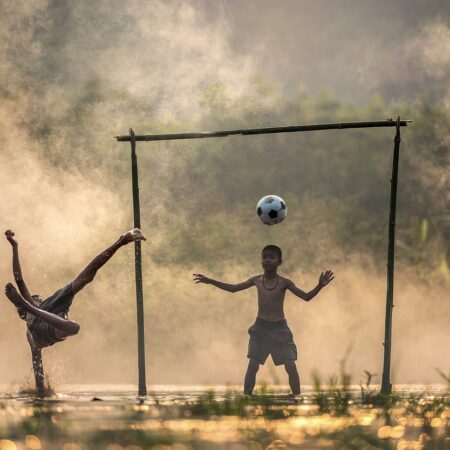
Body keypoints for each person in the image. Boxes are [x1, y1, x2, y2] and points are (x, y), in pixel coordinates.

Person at [4, 228, 146, 395]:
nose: (38, 297)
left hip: (48, 316)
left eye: (36, 299)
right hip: (43, 324)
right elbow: (18, 279)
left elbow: (19, 279)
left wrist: (14, 247)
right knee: (73, 325)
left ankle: (121, 241)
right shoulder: (32, 318)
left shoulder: (45, 306)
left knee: (84, 281)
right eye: (36, 298)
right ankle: (120, 241)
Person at [193, 245, 334, 396]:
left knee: (290, 366)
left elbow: (306, 297)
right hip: (260, 329)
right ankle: (246, 398)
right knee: (253, 365)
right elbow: (233, 288)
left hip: (280, 329)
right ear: (261, 260)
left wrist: (320, 286)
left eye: (272, 257)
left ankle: (296, 398)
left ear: (279, 261)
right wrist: (210, 281)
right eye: (264, 257)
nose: (267, 260)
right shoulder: (256, 280)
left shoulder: (285, 282)